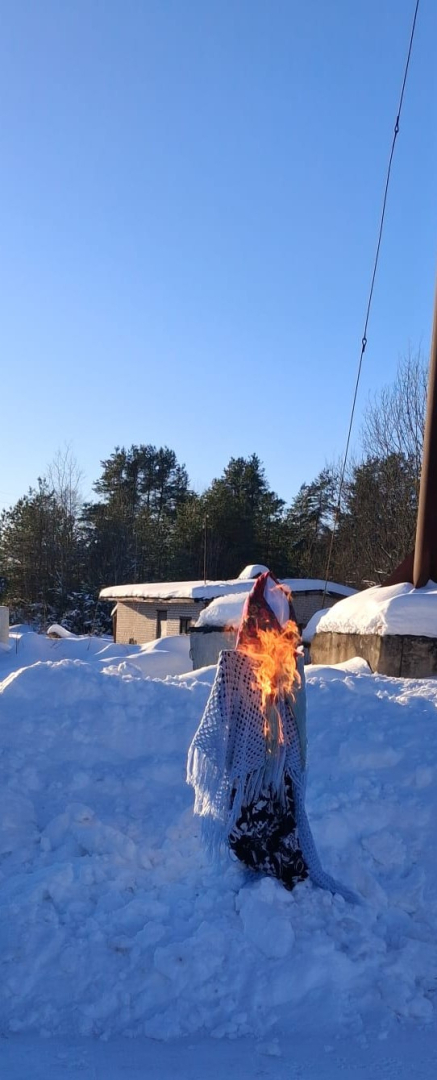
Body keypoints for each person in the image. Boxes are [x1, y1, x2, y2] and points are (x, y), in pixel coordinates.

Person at [187, 570, 358, 903]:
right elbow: (228, 711)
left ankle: (279, 867)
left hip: (281, 762)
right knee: (249, 818)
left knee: (284, 813)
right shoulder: (237, 666)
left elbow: (297, 708)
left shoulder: (290, 661)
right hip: (251, 764)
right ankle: (256, 864)